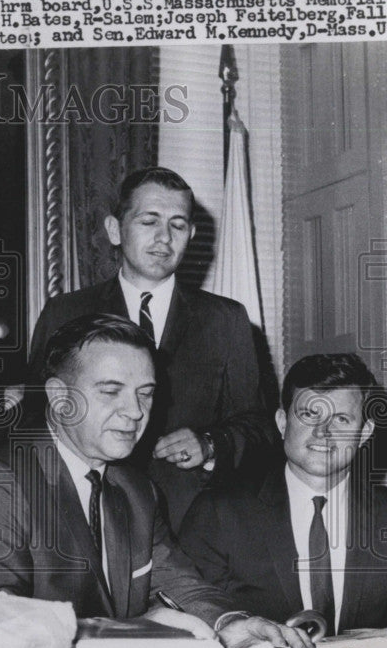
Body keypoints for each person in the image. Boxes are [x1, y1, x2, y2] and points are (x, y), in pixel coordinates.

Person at [0, 314, 315, 648]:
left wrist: (232, 623)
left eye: (145, 392)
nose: (135, 411)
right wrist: (138, 629)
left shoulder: (135, 489)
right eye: (111, 391)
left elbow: (180, 584)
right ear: (59, 398)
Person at [27, 166, 276, 532]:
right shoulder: (66, 312)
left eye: (177, 225)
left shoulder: (226, 320)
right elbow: (35, 419)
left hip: (192, 526)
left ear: (191, 235)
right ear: (115, 229)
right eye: (149, 221)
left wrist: (210, 445)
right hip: (87, 520)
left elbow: (260, 429)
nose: (164, 237)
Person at [179, 354, 387, 635]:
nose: (323, 432)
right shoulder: (218, 513)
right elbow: (190, 618)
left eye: (340, 419)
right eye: (309, 414)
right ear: (281, 422)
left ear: (364, 433)